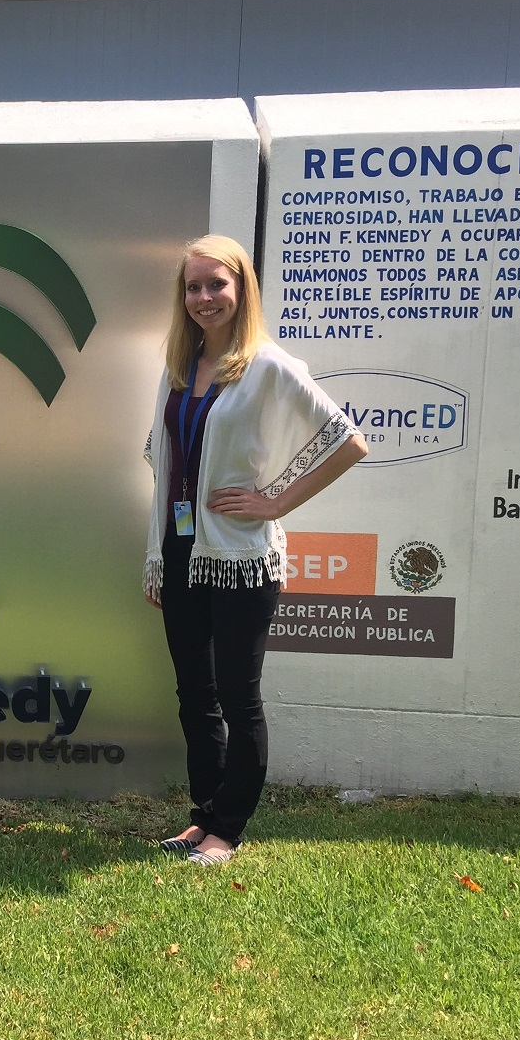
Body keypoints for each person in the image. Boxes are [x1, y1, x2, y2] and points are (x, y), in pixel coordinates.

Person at [142, 235, 367, 867]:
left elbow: (348, 443)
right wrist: (157, 554)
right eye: (193, 287)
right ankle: (202, 816)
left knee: (238, 698)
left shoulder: (267, 365)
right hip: (180, 550)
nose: (205, 298)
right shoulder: (179, 367)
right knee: (195, 695)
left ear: (242, 290)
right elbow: (164, 459)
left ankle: (228, 828)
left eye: (218, 284)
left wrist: (275, 503)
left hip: (240, 558)